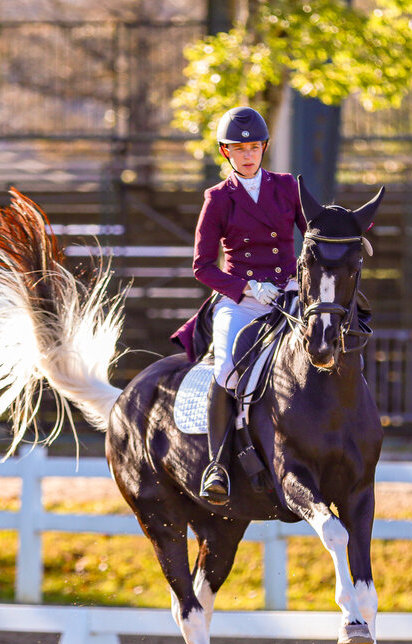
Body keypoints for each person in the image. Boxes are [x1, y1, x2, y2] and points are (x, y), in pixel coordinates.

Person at [170, 106, 307, 505]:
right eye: (238, 149)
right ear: (225, 152)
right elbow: (202, 267)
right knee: (227, 368)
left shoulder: (287, 188)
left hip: (288, 294)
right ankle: (217, 464)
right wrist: (246, 287)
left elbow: (311, 233)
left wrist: (302, 273)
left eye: (253, 147)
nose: (247, 155)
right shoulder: (217, 199)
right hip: (242, 300)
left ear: (264, 147)